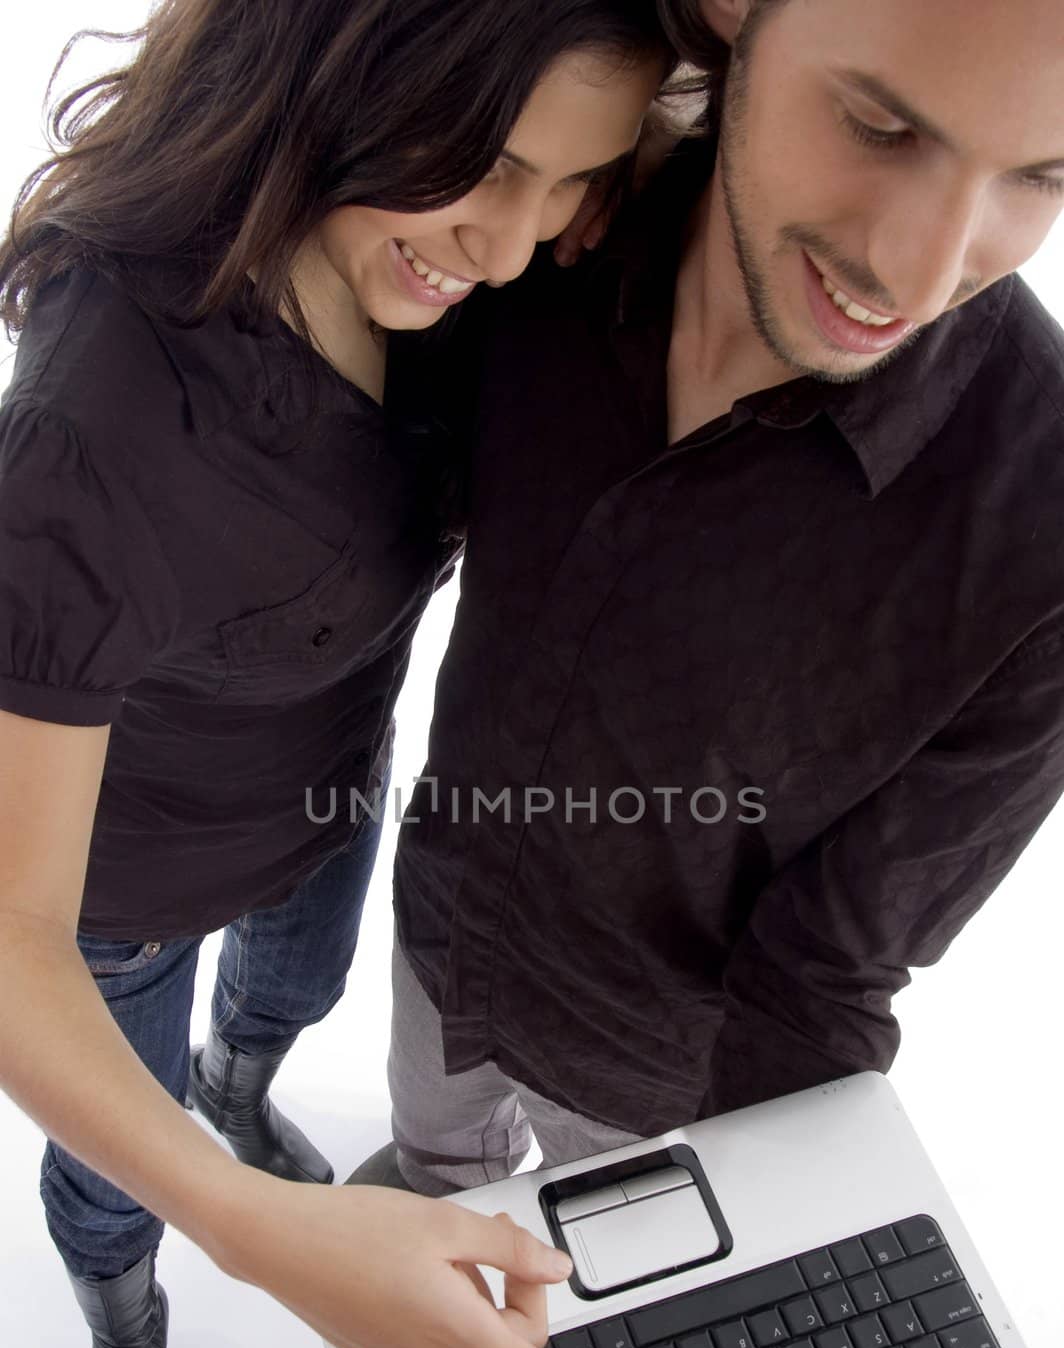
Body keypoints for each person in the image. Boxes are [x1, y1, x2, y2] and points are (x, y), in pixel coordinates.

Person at [0, 0, 670, 1348]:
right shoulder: (95, 425)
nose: (513, 241)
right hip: (122, 887)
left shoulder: (475, 287)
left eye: (573, 185)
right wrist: (245, 1227)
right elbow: (5, 931)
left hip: (325, 790)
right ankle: (126, 1323)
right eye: (487, 164)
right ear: (340, 65)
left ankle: (241, 1085)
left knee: (288, 997)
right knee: (121, 1172)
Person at [360, 0, 1064, 1195]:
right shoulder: (542, 236)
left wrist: (793, 1263)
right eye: (879, 126)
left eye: (1042, 177)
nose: (920, 268)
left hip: (644, 1092)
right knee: (431, 1167)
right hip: (438, 939)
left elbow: (829, 974)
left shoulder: (1036, 530)